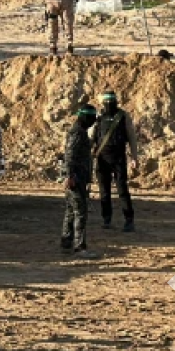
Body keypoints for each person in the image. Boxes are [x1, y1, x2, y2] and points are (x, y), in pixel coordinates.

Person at [93, 92, 140, 232]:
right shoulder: (99, 117)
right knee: (104, 191)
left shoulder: (123, 116)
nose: (109, 104)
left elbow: (131, 138)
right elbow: (92, 136)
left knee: (122, 190)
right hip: (102, 158)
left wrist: (134, 157)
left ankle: (129, 220)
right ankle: (106, 219)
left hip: (118, 158)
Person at [62, 105, 98, 259]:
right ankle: (79, 247)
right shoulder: (78, 133)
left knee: (71, 211)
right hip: (76, 178)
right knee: (80, 212)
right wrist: (69, 176)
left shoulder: (78, 131)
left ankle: (66, 241)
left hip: (77, 177)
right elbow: (70, 155)